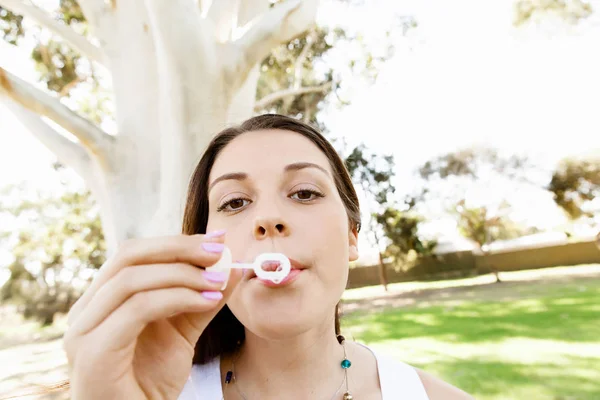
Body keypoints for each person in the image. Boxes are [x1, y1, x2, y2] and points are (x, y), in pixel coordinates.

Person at [62, 114, 474, 399]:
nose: (269, 218)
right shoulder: (146, 393)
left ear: (351, 236)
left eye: (305, 193)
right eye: (236, 202)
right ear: (205, 246)